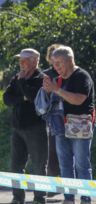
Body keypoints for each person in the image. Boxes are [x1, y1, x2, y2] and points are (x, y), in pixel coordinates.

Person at [42, 46, 95, 204]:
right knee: (65, 165)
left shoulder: (82, 76)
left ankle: (86, 201)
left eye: (59, 63)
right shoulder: (57, 80)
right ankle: (69, 200)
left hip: (80, 125)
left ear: (70, 60)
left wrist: (57, 90)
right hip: (61, 126)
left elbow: (79, 100)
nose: (56, 66)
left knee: (82, 164)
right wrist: (47, 92)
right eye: (53, 63)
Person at [2, 48, 49, 204]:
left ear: (35, 61)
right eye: (19, 60)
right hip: (18, 129)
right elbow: (6, 99)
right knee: (16, 166)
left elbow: (33, 96)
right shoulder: (17, 77)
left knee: (39, 165)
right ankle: (18, 199)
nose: (21, 63)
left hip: (36, 128)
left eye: (25, 60)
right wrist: (22, 96)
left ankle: (39, 200)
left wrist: (22, 85)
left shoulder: (41, 79)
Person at [43, 44, 62, 184]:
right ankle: (54, 184)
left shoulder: (71, 72)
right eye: (52, 55)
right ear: (49, 58)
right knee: (52, 153)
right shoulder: (46, 75)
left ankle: (76, 184)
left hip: (69, 117)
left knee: (72, 153)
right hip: (52, 119)